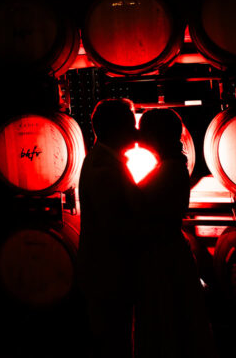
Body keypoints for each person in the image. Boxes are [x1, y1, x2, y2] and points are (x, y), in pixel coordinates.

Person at [132, 109, 217, 358]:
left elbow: (145, 211)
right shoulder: (171, 166)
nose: (139, 137)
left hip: (163, 257)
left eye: (144, 132)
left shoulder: (168, 170)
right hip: (167, 252)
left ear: (156, 135)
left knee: (167, 319)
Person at [77, 98, 138, 358]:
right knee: (115, 341)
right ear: (116, 129)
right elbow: (116, 227)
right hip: (109, 272)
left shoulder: (103, 159)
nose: (136, 132)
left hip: (106, 271)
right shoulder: (104, 168)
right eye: (130, 125)